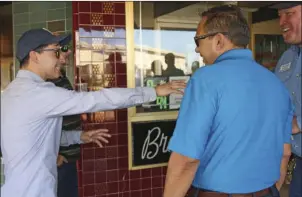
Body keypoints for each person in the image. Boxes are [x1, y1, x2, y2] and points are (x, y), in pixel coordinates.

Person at [0, 28, 186, 197]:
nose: (61, 57)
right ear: (35, 56)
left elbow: (35, 137)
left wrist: (80, 137)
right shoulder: (38, 94)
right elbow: (96, 100)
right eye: (56, 51)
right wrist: (153, 91)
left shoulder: (11, 93)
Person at [164, 5, 293, 197]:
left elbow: (186, 159)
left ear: (218, 40)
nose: (197, 49)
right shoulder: (275, 83)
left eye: (198, 40)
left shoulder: (205, 79)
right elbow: (284, 152)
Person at [271, 2, 302, 197]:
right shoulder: (286, 58)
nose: (282, 22)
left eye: (289, 13)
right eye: (279, 15)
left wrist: (298, 123)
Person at [47, 47, 82, 197]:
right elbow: (41, 127)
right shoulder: (46, 82)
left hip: (68, 157)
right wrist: (54, 154)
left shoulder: (61, 77)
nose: (67, 54)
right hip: (60, 161)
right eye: (60, 51)